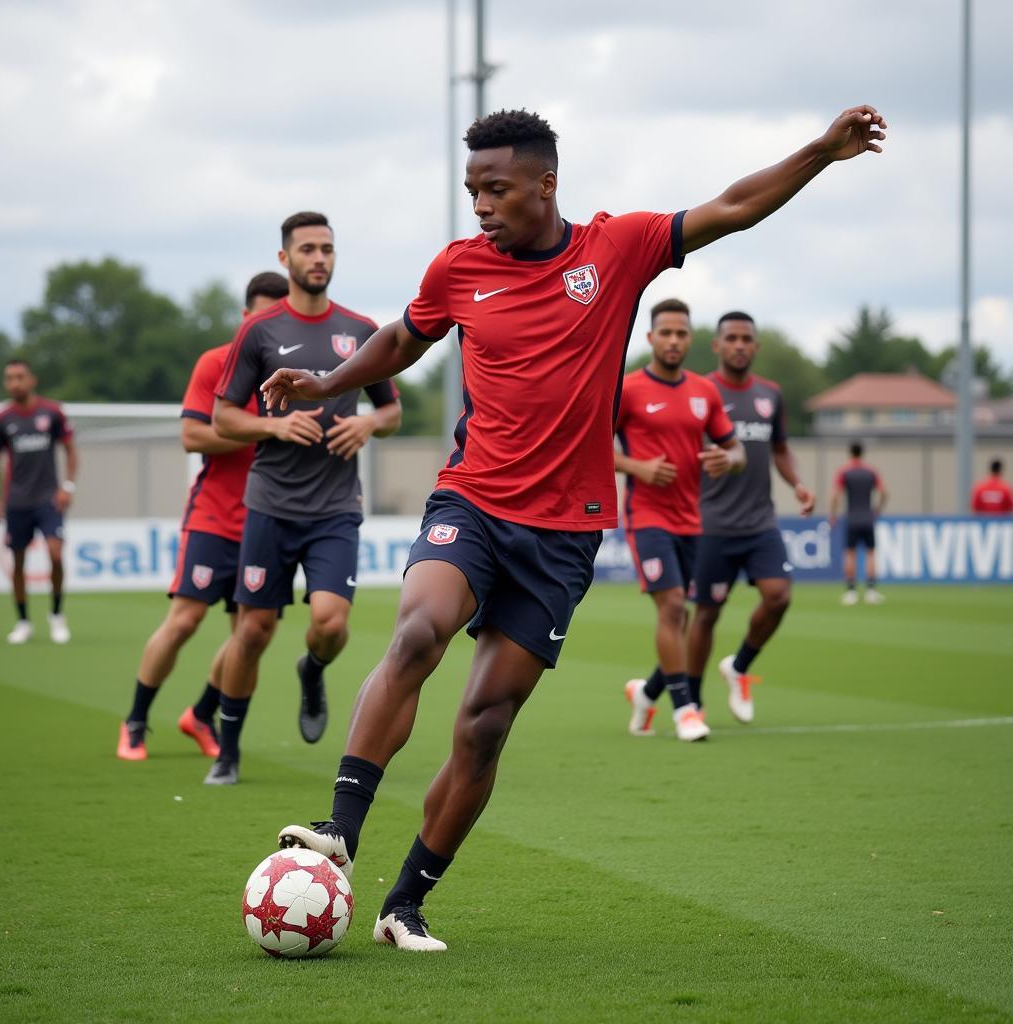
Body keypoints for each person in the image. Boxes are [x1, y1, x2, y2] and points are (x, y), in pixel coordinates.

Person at [262, 105, 887, 951]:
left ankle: (404, 903)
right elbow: (403, 340)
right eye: (471, 190)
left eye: (496, 188)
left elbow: (732, 206)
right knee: (416, 633)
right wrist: (327, 382)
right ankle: (339, 828)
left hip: (564, 533)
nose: (480, 206)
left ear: (545, 183)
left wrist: (819, 151)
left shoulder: (615, 249)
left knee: (484, 726)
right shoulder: (459, 267)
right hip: (473, 501)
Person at [207, 211, 402, 786]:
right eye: (308, 249)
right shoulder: (260, 331)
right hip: (270, 504)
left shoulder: (362, 329)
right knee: (253, 631)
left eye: (327, 249)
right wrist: (274, 427)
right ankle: (228, 750)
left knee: (331, 624)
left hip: (335, 507)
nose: (319, 258)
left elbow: (390, 409)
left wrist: (368, 425)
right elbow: (222, 417)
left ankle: (312, 669)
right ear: (285, 259)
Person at [116, 272, 290, 762]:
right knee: (185, 619)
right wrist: (264, 430)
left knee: (252, 636)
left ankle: (201, 713)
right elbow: (193, 437)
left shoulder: (297, 372)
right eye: (261, 314)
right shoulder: (218, 363)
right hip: (215, 518)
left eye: (279, 315)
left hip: (269, 520)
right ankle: (135, 722)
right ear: (244, 316)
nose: (269, 325)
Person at [617, 298, 744, 742]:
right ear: (651, 338)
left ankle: (646, 693)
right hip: (646, 516)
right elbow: (591, 447)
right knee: (672, 606)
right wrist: (638, 468)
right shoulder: (628, 390)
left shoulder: (704, 392)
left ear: (691, 339)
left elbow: (737, 449)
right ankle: (685, 708)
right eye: (665, 333)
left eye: (681, 333)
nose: (673, 340)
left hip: (691, 519)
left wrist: (728, 460)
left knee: (681, 617)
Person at [686, 312, 815, 724]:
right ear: (718, 345)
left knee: (779, 595)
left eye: (747, 339)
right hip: (711, 523)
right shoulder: (700, 392)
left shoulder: (771, 395)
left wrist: (796, 483)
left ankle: (739, 665)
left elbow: (780, 449)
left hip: (760, 521)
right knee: (706, 613)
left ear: (755, 347)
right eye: (732, 338)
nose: (740, 345)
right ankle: (692, 703)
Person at [0, 359, 78, 645]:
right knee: (17, 561)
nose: (14, 383)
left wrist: (67, 486)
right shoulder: (1, 420)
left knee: (55, 553)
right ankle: (24, 620)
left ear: (32, 380)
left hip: (48, 499)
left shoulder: (52, 413)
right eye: (9, 378)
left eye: (19, 377)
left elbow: (71, 451)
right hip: (17, 501)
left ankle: (56, 615)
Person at [830, 441, 887, 605]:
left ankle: (851, 592)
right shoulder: (871, 471)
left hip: (852, 518)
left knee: (850, 554)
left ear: (850, 453)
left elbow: (835, 495)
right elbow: (884, 492)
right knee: (870, 553)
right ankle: (871, 591)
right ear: (863, 452)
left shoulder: (845, 472)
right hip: (868, 517)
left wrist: (833, 514)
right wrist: (878, 509)